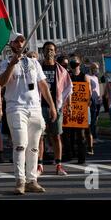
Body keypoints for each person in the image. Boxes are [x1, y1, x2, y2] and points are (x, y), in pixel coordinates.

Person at [0, 33, 57, 195]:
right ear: (11, 44)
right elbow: (1, 83)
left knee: (34, 147)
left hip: (35, 108)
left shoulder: (34, 62)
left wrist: (52, 106)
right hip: (16, 108)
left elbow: (43, 85)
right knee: (20, 144)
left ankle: (32, 180)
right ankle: (20, 181)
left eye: (22, 40)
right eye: (16, 41)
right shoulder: (4, 63)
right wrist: (11, 64)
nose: (20, 43)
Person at [37, 41, 72, 176]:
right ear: (43, 52)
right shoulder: (38, 68)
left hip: (56, 108)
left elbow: (68, 88)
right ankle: (39, 165)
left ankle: (58, 165)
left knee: (56, 136)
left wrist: (66, 104)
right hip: (40, 107)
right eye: (46, 49)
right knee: (40, 137)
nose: (49, 52)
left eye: (51, 49)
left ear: (55, 52)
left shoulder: (62, 71)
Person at [67, 54, 91, 164]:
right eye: (72, 61)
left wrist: (87, 102)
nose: (73, 63)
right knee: (70, 133)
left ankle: (82, 157)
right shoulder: (67, 75)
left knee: (81, 134)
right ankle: (71, 154)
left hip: (81, 109)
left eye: (75, 61)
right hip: (70, 107)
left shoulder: (84, 76)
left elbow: (88, 92)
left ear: (79, 63)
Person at [87, 62, 102, 154]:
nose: (97, 69)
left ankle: (95, 136)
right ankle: (92, 136)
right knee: (92, 120)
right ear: (91, 68)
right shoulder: (87, 77)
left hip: (97, 101)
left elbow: (97, 89)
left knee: (96, 119)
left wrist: (99, 97)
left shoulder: (96, 77)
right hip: (92, 102)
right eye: (95, 68)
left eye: (97, 68)